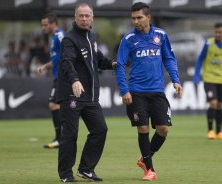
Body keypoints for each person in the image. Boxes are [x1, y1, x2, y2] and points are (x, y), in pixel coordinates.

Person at [115, 2, 183, 181]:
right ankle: (149, 170)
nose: (136, 21)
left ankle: (145, 158)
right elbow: (120, 65)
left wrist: (176, 80)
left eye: (139, 17)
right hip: (136, 91)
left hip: (157, 91)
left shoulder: (160, 35)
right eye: (133, 18)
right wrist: (124, 90)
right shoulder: (128, 39)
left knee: (163, 129)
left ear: (148, 17)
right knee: (143, 128)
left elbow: (169, 58)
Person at [57, 3, 116, 182]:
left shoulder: (91, 35)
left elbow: (96, 58)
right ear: (75, 17)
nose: (84, 18)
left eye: (87, 15)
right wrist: (75, 80)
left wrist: (111, 64)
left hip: (90, 97)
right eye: (80, 15)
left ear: (92, 18)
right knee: (70, 135)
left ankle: (86, 169)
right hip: (71, 96)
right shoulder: (69, 39)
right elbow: (67, 62)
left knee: (100, 129)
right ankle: (66, 175)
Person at [193, 22, 222, 141]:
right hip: (209, 78)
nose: (217, 34)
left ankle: (219, 132)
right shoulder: (209, 43)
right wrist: (197, 76)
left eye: (220, 32)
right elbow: (200, 60)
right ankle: (210, 131)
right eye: (215, 32)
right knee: (213, 103)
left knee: (220, 105)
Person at [37, 13, 65, 149]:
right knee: (57, 105)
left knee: (54, 105)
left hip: (62, 76)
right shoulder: (53, 37)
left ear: (53, 23)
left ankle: (60, 139)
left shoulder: (60, 35)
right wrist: (45, 66)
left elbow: (68, 51)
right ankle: (62, 138)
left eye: (45, 25)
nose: (43, 28)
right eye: (42, 25)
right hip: (56, 75)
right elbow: (56, 59)